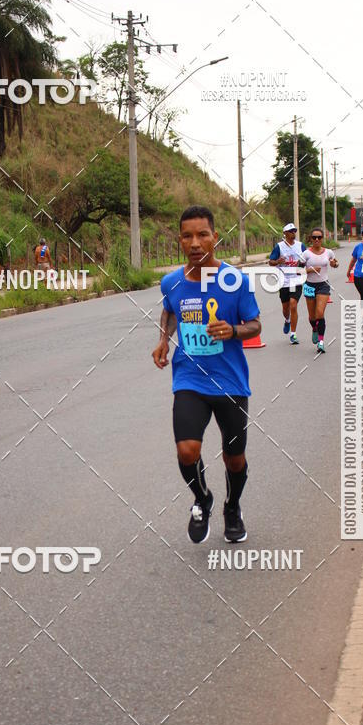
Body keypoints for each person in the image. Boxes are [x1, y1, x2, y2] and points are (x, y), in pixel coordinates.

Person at [152, 205, 261, 544]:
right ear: (180, 240)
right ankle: (202, 499)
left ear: (215, 237)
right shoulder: (172, 282)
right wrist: (163, 341)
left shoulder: (236, 281)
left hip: (229, 381)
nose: (195, 242)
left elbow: (255, 324)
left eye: (202, 234)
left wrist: (233, 331)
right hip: (190, 379)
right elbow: (170, 311)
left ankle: (232, 506)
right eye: (187, 235)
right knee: (187, 450)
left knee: (235, 457)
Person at [300, 228, 339, 353]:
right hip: (309, 285)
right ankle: (314, 328)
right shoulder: (306, 254)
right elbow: (297, 271)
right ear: (310, 239)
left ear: (322, 239)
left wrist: (334, 264)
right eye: (314, 237)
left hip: (323, 285)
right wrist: (310, 270)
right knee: (312, 317)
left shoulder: (328, 252)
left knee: (319, 313)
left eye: (319, 237)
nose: (317, 240)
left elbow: (335, 263)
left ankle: (321, 342)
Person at [268, 222, 306, 345]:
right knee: (285, 309)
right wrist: (278, 261)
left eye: (294, 231)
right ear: (285, 233)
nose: (293, 233)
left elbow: (306, 260)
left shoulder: (301, 246)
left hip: (297, 279)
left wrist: (302, 264)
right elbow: (271, 262)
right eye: (291, 231)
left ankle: (293, 334)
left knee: (293, 305)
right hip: (283, 280)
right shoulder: (279, 246)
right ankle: (287, 319)